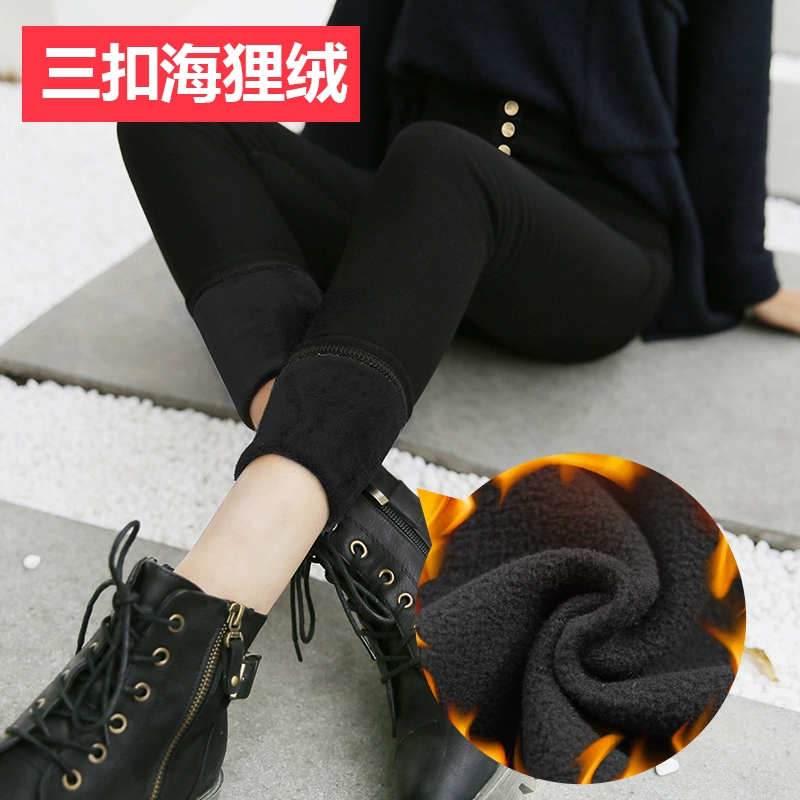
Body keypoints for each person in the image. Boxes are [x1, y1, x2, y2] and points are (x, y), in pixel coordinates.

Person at [1, 0, 796, 798]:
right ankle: (407, 570)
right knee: (166, 106)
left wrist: (746, 279)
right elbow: (352, 71)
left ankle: (184, 656)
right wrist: (338, 243)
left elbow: (728, 103)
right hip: (419, 214)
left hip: (587, 244)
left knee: (440, 154)